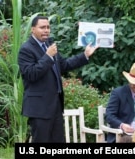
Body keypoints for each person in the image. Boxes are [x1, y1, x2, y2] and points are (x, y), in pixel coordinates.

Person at [18, 15, 98, 143]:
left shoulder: (50, 44)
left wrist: (85, 55)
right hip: (39, 109)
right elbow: (30, 74)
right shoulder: (26, 49)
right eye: (42, 27)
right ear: (33, 29)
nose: (46, 30)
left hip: (55, 106)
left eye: (48, 27)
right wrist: (48, 56)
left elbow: (64, 65)